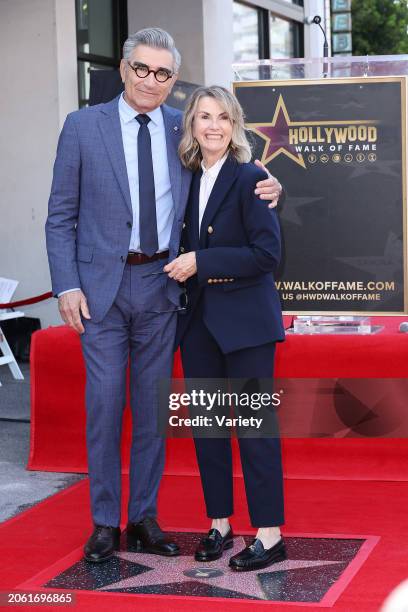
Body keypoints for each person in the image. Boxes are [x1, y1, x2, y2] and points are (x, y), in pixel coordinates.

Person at [45, 28, 282, 564]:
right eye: (142, 69)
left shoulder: (186, 128)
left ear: (173, 80)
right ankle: (105, 522)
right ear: (125, 68)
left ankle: (143, 517)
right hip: (100, 291)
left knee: (153, 411)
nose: (151, 80)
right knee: (105, 406)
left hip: (164, 286)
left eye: (163, 73)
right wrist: (66, 284)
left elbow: (231, 177)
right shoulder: (83, 127)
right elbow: (60, 214)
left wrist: (269, 184)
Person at [165, 86, 285, 572]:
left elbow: (267, 255)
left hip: (248, 327)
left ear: (235, 124)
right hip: (198, 327)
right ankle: (219, 523)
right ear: (191, 125)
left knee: (255, 430)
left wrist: (200, 260)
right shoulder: (188, 180)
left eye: (221, 117)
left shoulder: (252, 176)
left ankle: (270, 534)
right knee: (209, 431)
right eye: (203, 117)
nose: (212, 126)